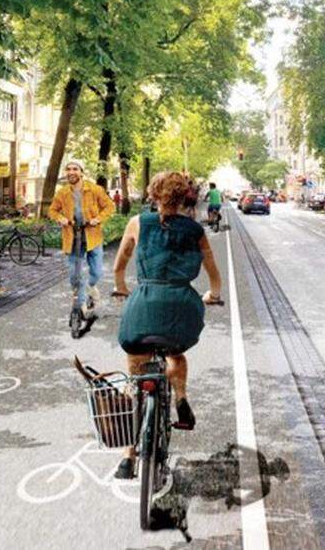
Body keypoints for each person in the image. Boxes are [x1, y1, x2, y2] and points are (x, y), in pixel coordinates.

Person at [111, 171, 223, 479]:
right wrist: (212, 294)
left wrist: (122, 287)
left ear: (152, 195)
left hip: (144, 305)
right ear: (186, 197)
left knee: (135, 373)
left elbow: (119, 266)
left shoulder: (137, 223)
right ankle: (181, 397)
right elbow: (213, 275)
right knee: (176, 354)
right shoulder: (195, 230)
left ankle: (127, 456)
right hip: (182, 309)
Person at [48, 159, 115, 317]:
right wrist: (61, 219)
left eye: (75, 169)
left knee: (97, 272)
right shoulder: (63, 192)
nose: (71, 172)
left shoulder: (94, 189)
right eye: (68, 169)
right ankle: (82, 302)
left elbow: (109, 206)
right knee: (74, 274)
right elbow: (52, 211)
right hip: (72, 237)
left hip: (93, 237)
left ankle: (91, 286)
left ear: (81, 172)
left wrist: (97, 219)